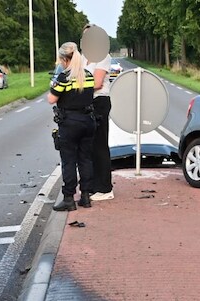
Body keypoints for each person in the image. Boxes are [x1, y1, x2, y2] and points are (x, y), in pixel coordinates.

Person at [48, 42, 97, 211]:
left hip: (69, 123)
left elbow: (51, 99)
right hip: (88, 121)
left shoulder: (64, 77)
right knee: (85, 159)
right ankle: (85, 196)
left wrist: (53, 85)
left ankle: (69, 198)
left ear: (63, 59)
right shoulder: (88, 76)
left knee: (69, 161)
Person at [83, 25, 114, 201]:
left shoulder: (102, 56)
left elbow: (97, 83)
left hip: (99, 102)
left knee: (100, 145)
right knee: (89, 147)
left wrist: (76, 87)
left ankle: (105, 188)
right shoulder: (82, 58)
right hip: (85, 103)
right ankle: (93, 185)